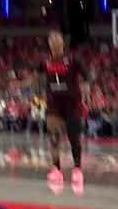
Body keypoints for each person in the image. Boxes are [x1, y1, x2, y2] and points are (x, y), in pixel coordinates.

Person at [34, 30, 88, 194]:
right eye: (51, 41)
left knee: (74, 139)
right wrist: (20, 84)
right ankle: (56, 169)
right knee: (54, 138)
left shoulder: (73, 59)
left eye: (57, 40)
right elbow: (35, 76)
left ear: (62, 43)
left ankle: (77, 169)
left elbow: (86, 77)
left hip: (72, 104)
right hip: (53, 105)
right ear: (49, 44)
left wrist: (86, 94)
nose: (54, 43)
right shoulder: (45, 61)